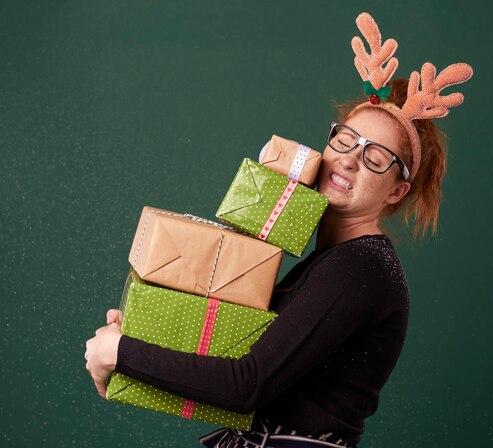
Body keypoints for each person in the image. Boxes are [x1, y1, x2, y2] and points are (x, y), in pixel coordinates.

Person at [85, 12, 472, 448]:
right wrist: (139, 339)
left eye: (376, 156)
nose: (349, 159)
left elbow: (245, 384)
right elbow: (239, 363)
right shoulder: (332, 261)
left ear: (396, 191)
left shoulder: (362, 266)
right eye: (345, 139)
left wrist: (121, 353)